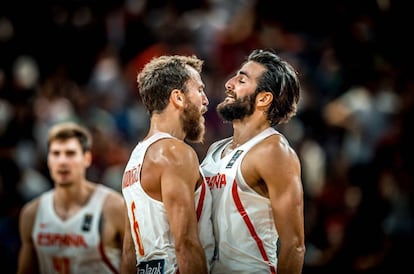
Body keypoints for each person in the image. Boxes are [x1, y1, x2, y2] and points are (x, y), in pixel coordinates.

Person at [200, 49, 306, 273]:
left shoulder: (273, 151)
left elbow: (294, 245)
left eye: (241, 79)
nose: (228, 83)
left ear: (264, 98)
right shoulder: (214, 150)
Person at [121, 55, 214, 274]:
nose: (206, 100)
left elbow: (128, 251)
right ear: (178, 98)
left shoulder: (135, 158)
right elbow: (186, 244)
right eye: (199, 90)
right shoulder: (174, 153)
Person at [17, 121, 126, 274]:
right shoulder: (32, 213)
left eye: (70, 153)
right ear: (48, 160)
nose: (62, 162)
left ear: (87, 158)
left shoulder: (114, 207)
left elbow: (135, 264)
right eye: (56, 154)